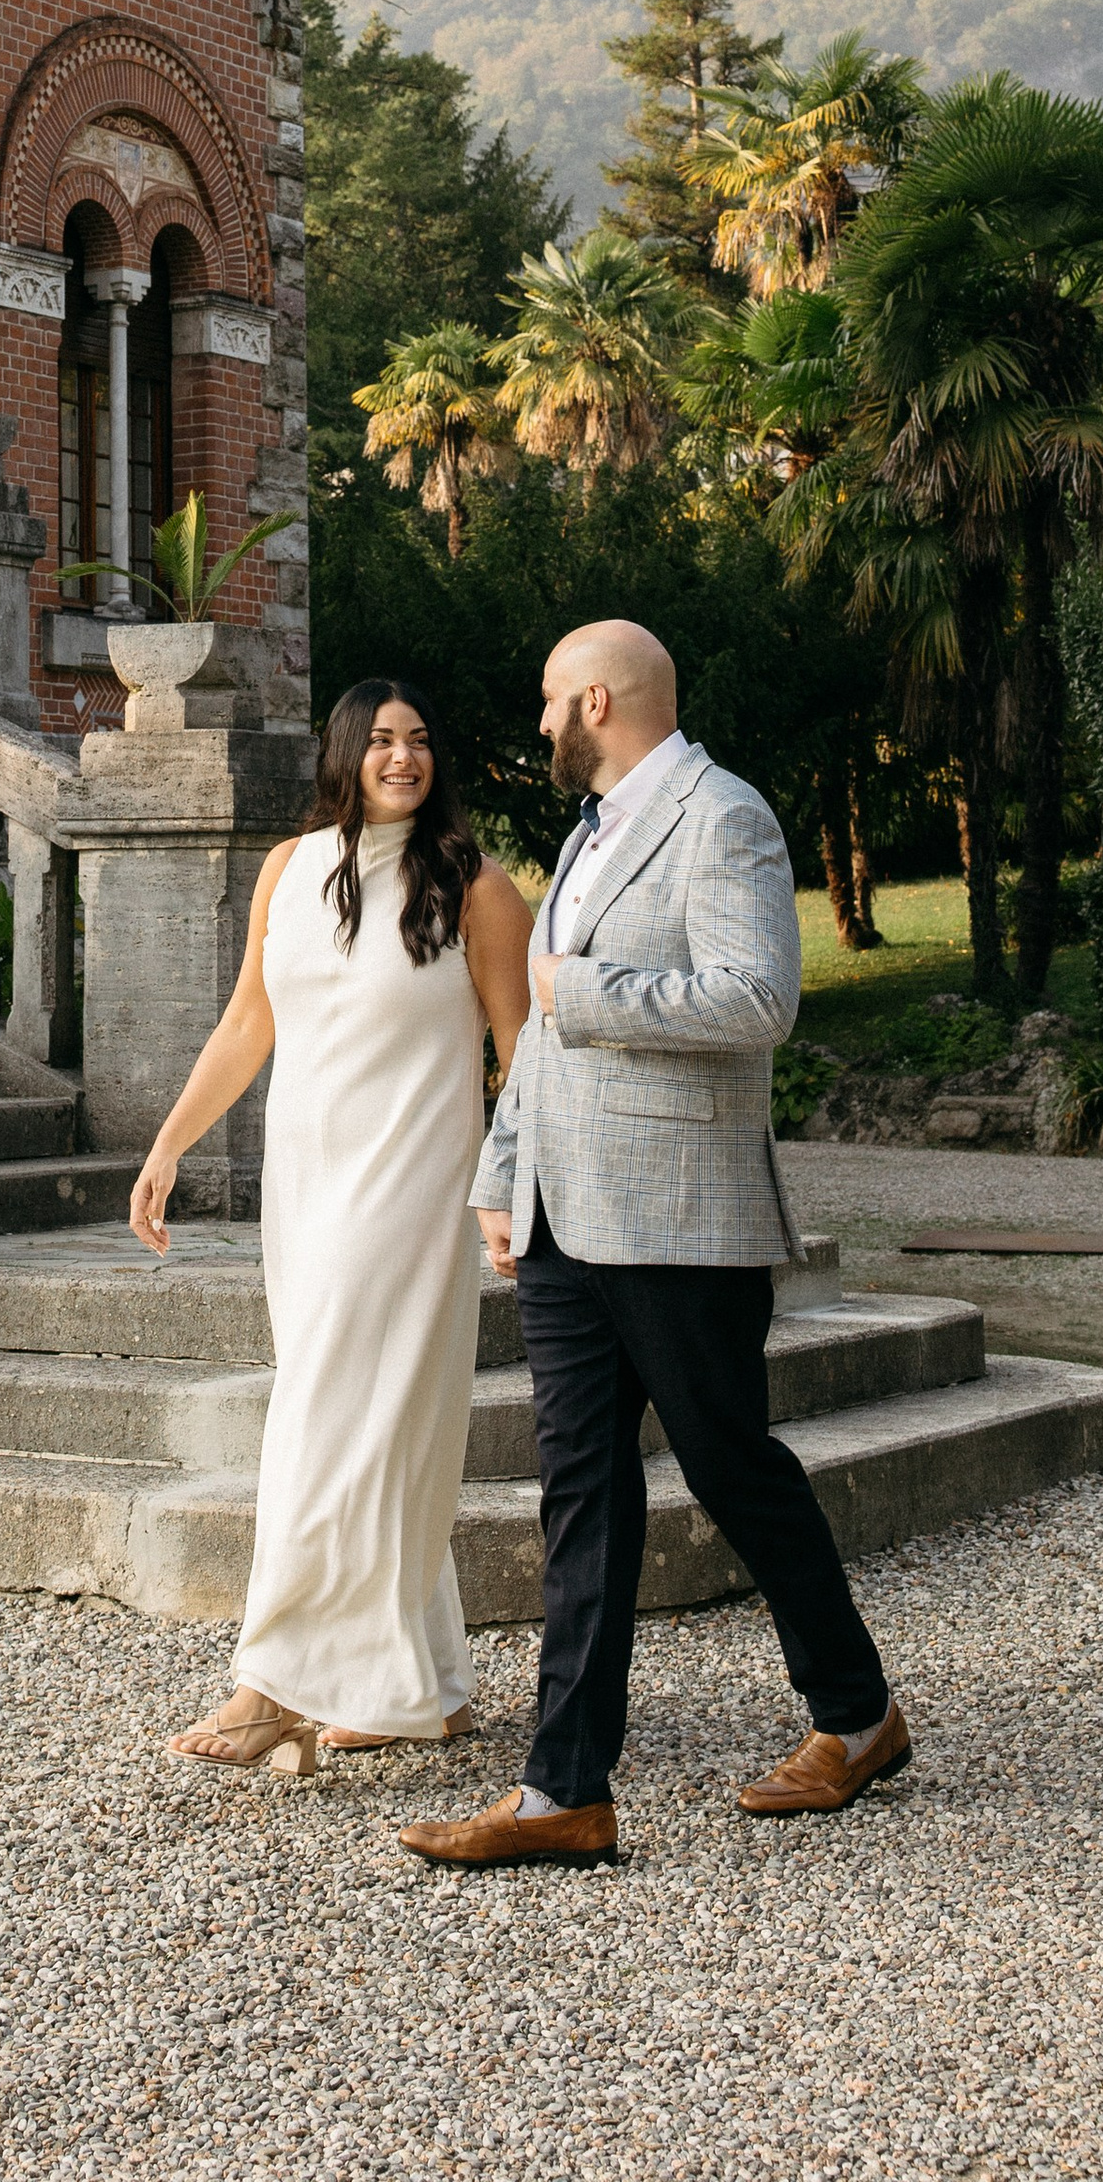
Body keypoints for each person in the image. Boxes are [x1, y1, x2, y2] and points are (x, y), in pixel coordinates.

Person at [399, 619, 908, 1869]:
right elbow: (538, 1038)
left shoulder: (723, 816)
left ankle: (856, 1716)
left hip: (681, 1217)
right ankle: (563, 1790)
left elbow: (758, 999)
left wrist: (587, 994)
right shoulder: (585, 835)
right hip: (562, 1217)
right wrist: (502, 1172)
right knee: (579, 1492)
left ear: (595, 702)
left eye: (546, 701)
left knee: (731, 1469)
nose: (536, 723)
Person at [130, 677, 535, 1773]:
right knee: (375, 1424)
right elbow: (246, 1024)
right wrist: (168, 1145)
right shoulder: (288, 868)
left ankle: (270, 1685)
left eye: (420, 740)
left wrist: (513, 1191)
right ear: (346, 754)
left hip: (410, 1190)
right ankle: (423, 1687)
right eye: (383, 740)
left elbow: (520, 1057)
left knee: (322, 1422)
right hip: (303, 1189)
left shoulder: (476, 887)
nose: (404, 757)